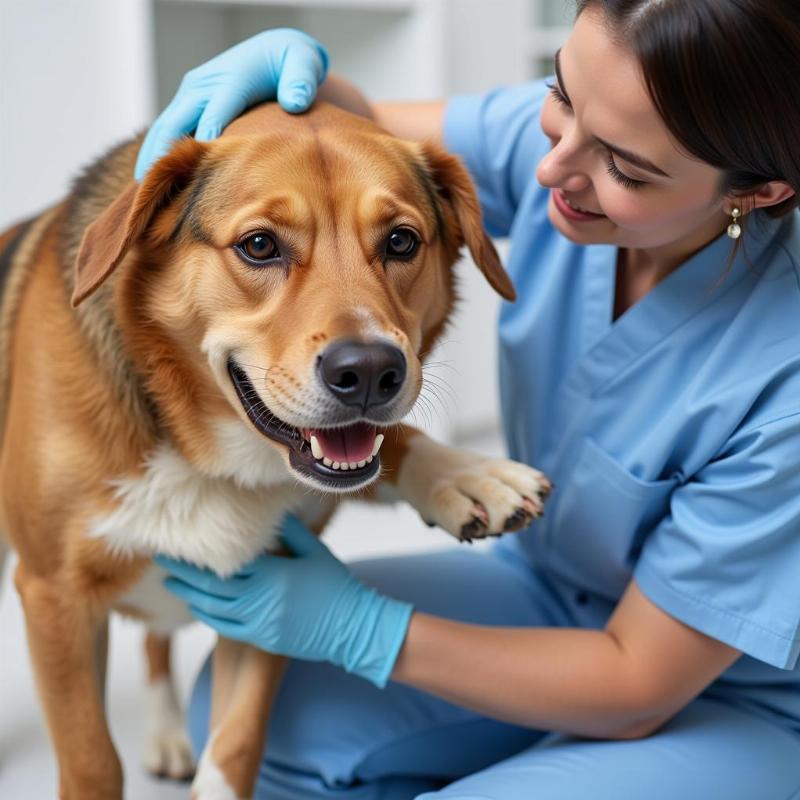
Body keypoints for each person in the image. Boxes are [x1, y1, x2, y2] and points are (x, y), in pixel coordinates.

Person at [149, 3, 800, 798]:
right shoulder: (579, 140)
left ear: (760, 192)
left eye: (625, 170)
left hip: (737, 697)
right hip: (549, 590)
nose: (551, 169)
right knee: (252, 714)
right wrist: (295, 75)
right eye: (559, 97)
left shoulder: (782, 374)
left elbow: (638, 684)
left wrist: (362, 631)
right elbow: (363, 137)